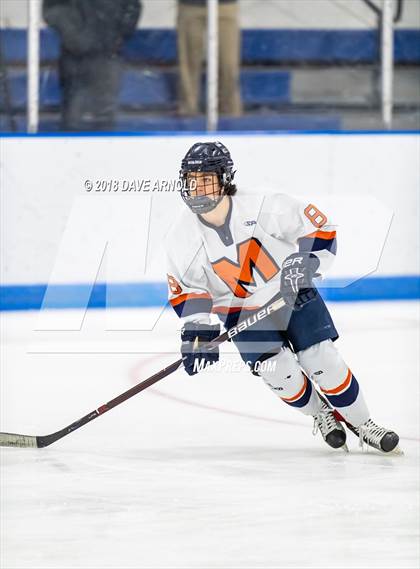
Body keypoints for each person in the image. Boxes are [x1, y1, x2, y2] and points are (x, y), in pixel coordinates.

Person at [165, 141, 400, 454]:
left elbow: (319, 229)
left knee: (321, 359)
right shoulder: (181, 234)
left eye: (206, 179)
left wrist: (303, 266)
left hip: (291, 292)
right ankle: (321, 413)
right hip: (240, 312)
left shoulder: (264, 203)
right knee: (279, 371)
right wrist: (197, 328)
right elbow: (189, 288)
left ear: (225, 179)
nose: (198, 188)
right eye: (191, 180)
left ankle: (364, 424)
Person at [43, 0, 141, 131]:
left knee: (105, 118)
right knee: (74, 117)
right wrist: (74, 37)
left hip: (107, 56)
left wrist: (116, 36)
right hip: (75, 58)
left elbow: (133, 6)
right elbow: (52, 9)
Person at [177, 0, 242, 116]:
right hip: (190, 5)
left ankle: (229, 109)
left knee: (228, 63)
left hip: (225, 5)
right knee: (189, 61)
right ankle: (188, 108)